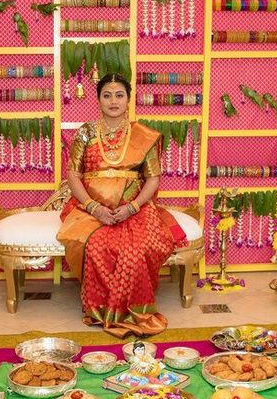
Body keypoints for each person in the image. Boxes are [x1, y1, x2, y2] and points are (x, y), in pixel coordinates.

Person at [57, 73, 186, 338]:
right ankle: (101, 310)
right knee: (96, 244)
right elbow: (73, 176)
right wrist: (93, 207)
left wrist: (131, 207)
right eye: (107, 95)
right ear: (98, 100)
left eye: (119, 95)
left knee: (137, 248)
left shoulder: (143, 135)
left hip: (134, 208)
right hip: (90, 209)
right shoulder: (85, 133)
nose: (113, 101)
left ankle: (133, 309)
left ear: (128, 99)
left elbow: (152, 179)